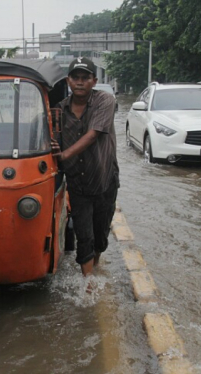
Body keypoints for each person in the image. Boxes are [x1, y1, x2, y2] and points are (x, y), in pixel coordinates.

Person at [51, 57, 119, 277]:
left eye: (85, 78)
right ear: (68, 81)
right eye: (75, 78)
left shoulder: (105, 101)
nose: (80, 82)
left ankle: (96, 264)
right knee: (84, 235)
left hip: (104, 178)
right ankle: (88, 283)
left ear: (94, 81)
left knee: (100, 234)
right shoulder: (58, 111)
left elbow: (93, 134)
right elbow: (51, 139)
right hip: (77, 183)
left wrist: (64, 154)